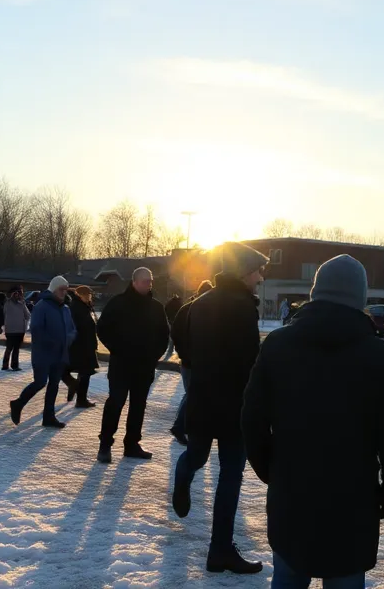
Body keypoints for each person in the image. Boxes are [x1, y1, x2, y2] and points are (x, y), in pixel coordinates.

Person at [243, 255, 384, 588]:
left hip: (292, 489)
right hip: (353, 497)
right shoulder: (381, 357)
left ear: (315, 292)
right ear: (359, 298)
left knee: (288, 574)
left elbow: (252, 419)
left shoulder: (278, 345)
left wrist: (271, 470)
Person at [171, 243, 268, 575]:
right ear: (243, 272)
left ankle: (183, 477)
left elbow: (181, 343)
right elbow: (249, 365)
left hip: (200, 398)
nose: (261, 277)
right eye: (257, 270)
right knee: (230, 475)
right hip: (232, 406)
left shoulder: (198, 304)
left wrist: (196, 366)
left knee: (196, 457)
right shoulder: (242, 307)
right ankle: (220, 550)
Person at [96, 268, 169, 462]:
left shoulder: (156, 307)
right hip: (121, 365)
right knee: (116, 403)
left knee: (138, 406)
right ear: (134, 282)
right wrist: (117, 348)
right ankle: (105, 444)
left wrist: (154, 356)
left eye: (150, 281)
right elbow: (102, 328)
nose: (149, 285)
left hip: (144, 367)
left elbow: (164, 335)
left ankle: (132, 444)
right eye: (145, 281)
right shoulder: (118, 303)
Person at [10, 276, 77, 429]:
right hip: (44, 353)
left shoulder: (65, 309)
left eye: (66, 289)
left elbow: (73, 329)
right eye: (61, 289)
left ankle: (49, 416)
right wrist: (52, 341)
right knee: (40, 382)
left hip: (60, 353)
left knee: (54, 385)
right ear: (53, 289)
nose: (64, 292)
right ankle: (18, 403)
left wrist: (69, 338)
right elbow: (36, 329)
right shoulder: (42, 306)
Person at [170, 279, 213, 445]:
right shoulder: (196, 309)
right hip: (192, 361)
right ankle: (180, 426)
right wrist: (186, 354)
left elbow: (175, 332)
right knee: (193, 393)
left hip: (190, 360)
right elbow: (177, 333)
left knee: (193, 393)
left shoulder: (187, 308)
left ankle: (185, 425)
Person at [62, 285, 100, 408]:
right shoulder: (77, 308)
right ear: (80, 295)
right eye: (87, 295)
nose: (89, 297)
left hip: (84, 344)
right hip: (81, 345)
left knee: (82, 372)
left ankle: (77, 393)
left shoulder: (83, 307)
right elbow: (80, 327)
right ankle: (79, 396)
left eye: (90, 295)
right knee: (83, 372)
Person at [0, 285, 30, 371]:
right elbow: (4, 312)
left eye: (19, 293)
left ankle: (14, 365)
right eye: (15, 293)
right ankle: (5, 365)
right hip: (10, 330)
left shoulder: (22, 304)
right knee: (9, 348)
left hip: (20, 330)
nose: (17, 295)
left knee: (16, 349)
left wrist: (23, 303)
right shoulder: (7, 303)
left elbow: (28, 315)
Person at [162, 294, 183, 360]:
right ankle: (178, 352)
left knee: (171, 336)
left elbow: (165, 310)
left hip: (170, 321)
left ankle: (170, 351)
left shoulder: (169, 303)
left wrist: (168, 318)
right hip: (178, 322)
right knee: (178, 336)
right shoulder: (179, 303)